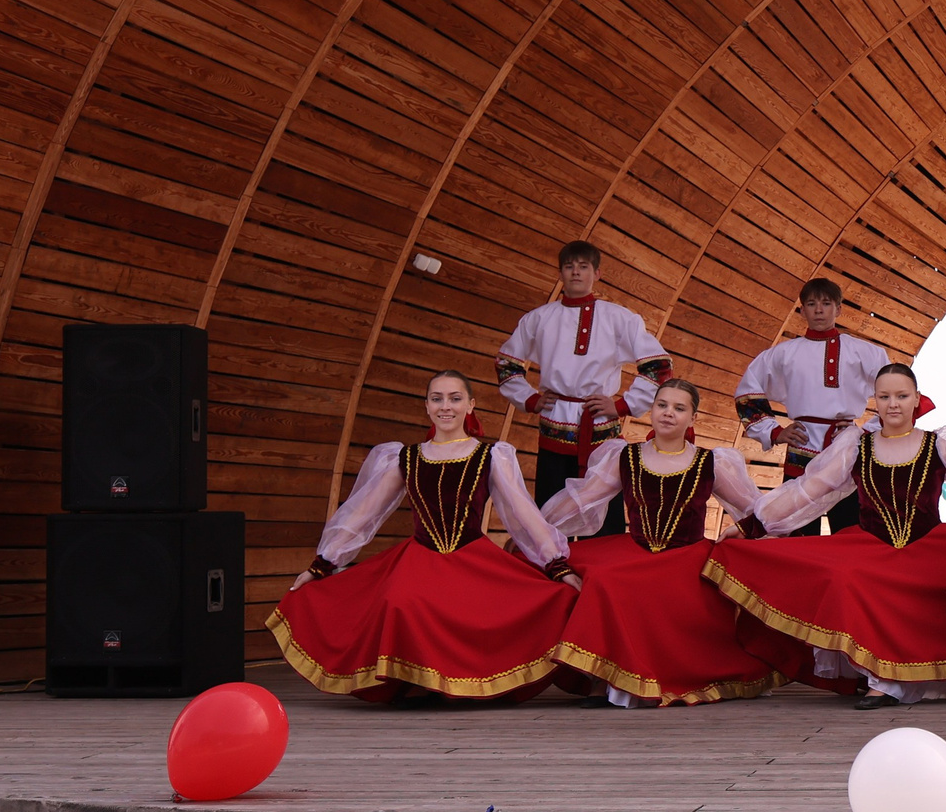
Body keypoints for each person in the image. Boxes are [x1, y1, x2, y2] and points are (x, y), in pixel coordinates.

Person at [708, 363, 946, 710]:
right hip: (871, 545)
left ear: (917, 400)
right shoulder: (858, 447)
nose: (893, 404)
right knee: (846, 575)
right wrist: (753, 524)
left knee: (938, 574)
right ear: (875, 402)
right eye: (884, 397)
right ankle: (876, 679)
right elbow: (810, 490)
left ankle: (893, 681)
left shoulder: (938, 444)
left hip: (927, 545)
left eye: (901, 396)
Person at [271, 370, 582, 702]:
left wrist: (556, 566)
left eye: (454, 398)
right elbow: (361, 516)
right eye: (437, 399)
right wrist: (321, 566)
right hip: (419, 558)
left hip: (473, 558)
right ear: (427, 405)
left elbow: (522, 514)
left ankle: (461, 685)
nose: (445, 406)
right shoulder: (404, 458)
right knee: (399, 601)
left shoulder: (491, 456)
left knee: (508, 607)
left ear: (470, 405)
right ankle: (417, 683)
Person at [541, 380, 779, 708]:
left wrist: (743, 528)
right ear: (650, 411)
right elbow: (582, 500)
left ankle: (658, 674)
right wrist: (538, 532)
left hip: (687, 558)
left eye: (679, 408)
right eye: (662, 405)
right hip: (636, 550)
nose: (668, 413)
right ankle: (601, 677)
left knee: (671, 586)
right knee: (603, 579)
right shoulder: (623, 456)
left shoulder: (712, 462)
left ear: (693, 418)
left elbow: (757, 508)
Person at [495, 241, 672, 520]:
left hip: (600, 427)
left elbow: (658, 365)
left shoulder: (619, 318)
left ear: (597, 273)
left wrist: (624, 405)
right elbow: (507, 363)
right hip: (555, 423)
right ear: (560, 274)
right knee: (551, 510)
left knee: (605, 512)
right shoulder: (539, 318)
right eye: (569, 267)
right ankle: (555, 561)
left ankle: (602, 561)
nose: (575, 272)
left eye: (583, 267)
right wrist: (530, 399)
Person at [734, 276, 890, 535]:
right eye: (811, 303)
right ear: (802, 309)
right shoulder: (782, 354)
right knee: (799, 531)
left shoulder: (866, 352)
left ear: (838, 309)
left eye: (826, 303)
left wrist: (866, 433)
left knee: (850, 530)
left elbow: (895, 392)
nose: (819, 310)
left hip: (846, 448)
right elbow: (746, 392)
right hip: (801, 446)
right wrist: (774, 431)